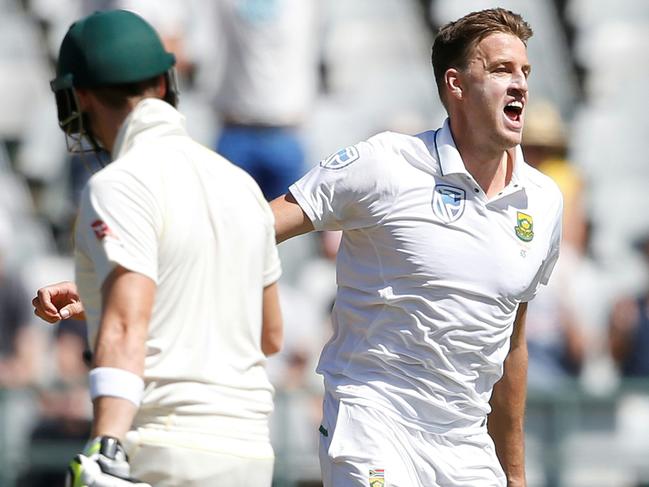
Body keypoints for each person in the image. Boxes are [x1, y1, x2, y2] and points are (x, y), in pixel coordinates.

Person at [270, 8, 563, 486]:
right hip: (373, 418)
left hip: (466, 444)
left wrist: (514, 474)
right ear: (457, 85)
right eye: (501, 69)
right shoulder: (385, 164)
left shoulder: (544, 200)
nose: (521, 85)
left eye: (525, 71)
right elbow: (257, 227)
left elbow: (512, 343)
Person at [32, 10, 283, 487]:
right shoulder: (240, 184)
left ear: (78, 96)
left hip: (166, 447)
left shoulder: (117, 185)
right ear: (165, 84)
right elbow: (268, 334)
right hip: (251, 451)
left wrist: (105, 446)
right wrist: (109, 303)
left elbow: (127, 325)